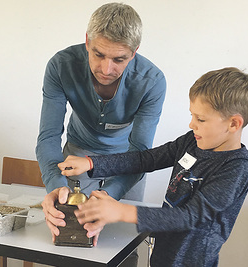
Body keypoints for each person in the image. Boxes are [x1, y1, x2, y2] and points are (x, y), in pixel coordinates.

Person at [58, 67, 248, 267]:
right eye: (192, 115)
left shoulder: (237, 167)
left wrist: (121, 211)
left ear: (234, 124)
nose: (192, 124)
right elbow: (146, 159)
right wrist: (92, 163)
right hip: (162, 254)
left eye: (201, 119)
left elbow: (191, 217)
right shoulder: (192, 141)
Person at [36, 1, 166, 250]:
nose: (107, 69)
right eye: (98, 54)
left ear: (135, 51)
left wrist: (109, 196)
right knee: (70, 243)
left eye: (119, 59)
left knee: (123, 250)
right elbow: (49, 136)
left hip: (129, 164)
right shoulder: (61, 66)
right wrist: (56, 186)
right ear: (87, 40)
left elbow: (140, 151)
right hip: (76, 159)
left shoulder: (153, 81)